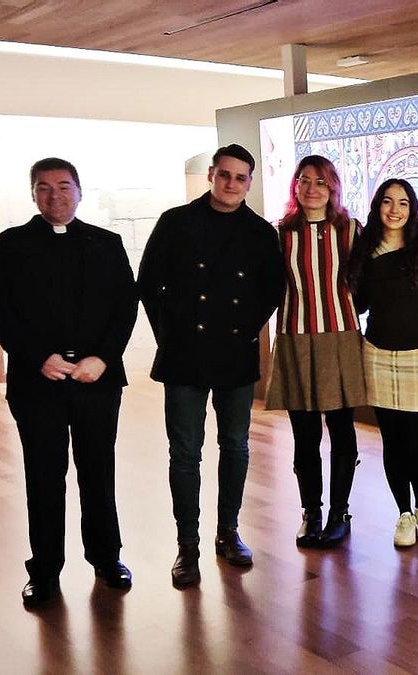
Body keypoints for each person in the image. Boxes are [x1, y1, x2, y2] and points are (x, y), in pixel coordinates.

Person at [0, 158, 138, 608]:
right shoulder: (6, 247)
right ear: (33, 194)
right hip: (38, 382)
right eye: (45, 188)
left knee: (98, 471)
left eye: (64, 187)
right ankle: (45, 570)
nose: (56, 196)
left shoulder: (107, 244)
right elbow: (0, 311)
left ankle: (107, 559)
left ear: (80, 191)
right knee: (44, 476)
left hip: (96, 380)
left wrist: (103, 358)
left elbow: (125, 306)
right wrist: (36, 359)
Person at [138, 144, 284, 588]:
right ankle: (187, 544)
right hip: (184, 354)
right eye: (224, 175)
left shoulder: (261, 232)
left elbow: (270, 291)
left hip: (235, 354)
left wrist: (244, 330)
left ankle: (228, 531)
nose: (231, 184)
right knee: (184, 452)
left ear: (249, 183)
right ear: (211, 175)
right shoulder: (176, 222)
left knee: (236, 446)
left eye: (241, 178)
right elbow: (148, 284)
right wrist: (171, 334)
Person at [264, 155, 366, 549]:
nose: (311, 189)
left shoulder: (351, 230)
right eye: (303, 181)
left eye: (320, 182)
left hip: (340, 337)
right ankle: (312, 511)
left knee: (342, 428)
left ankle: (340, 512)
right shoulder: (280, 233)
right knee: (304, 434)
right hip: (295, 336)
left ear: (333, 188)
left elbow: (368, 282)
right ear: (295, 187)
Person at [350, 178, 418, 547]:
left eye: (403, 203)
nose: (395, 209)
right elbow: (357, 304)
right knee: (392, 439)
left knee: (416, 441)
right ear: (377, 206)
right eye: (388, 202)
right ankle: (403, 513)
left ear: (412, 208)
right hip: (378, 353)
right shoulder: (364, 251)